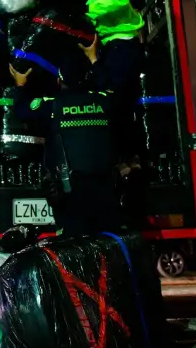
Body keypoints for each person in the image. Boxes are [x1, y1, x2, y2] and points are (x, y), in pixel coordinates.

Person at [9, 58, 122, 236]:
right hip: (105, 190)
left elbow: (22, 109)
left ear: (59, 81)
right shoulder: (104, 102)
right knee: (107, 245)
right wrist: (95, 61)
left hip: (70, 194)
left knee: (72, 248)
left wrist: (20, 84)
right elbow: (111, 91)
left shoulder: (53, 106)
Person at [77, 0, 145, 156]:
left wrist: (89, 10)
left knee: (117, 102)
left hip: (121, 46)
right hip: (117, 46)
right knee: (121, 103)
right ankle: (130, 156)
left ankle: (127, 156)